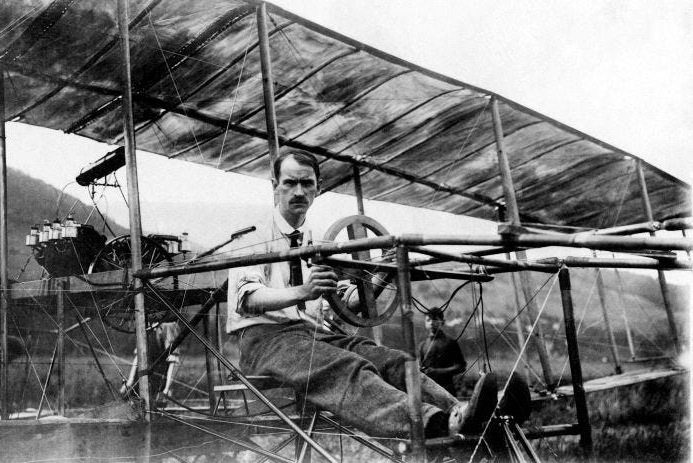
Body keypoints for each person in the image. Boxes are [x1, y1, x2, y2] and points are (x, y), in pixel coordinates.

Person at [226, 149, 530, 440]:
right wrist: (303, 291)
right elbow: (247, 299)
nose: (299, 191)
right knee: (345, 366)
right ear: (275, 185)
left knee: (395, 361)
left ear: (318, 187)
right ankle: (436, 423)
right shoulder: (253, 234)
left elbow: (345, 303)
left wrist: (384, 273)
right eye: (290, 182)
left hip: (313, 335)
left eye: (307, 183)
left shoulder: (317, 239)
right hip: (265, 341)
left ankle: (465, 413)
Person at [419, 307, 466, 395]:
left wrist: (437, 371)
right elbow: (421, 367)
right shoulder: (423, 345)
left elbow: (461, 366)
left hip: (447, 389)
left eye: (435, 319)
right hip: (428, 391)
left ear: (442, 322)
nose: (431, 323)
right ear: (425, 323)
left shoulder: (450, 342)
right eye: (428, 320)